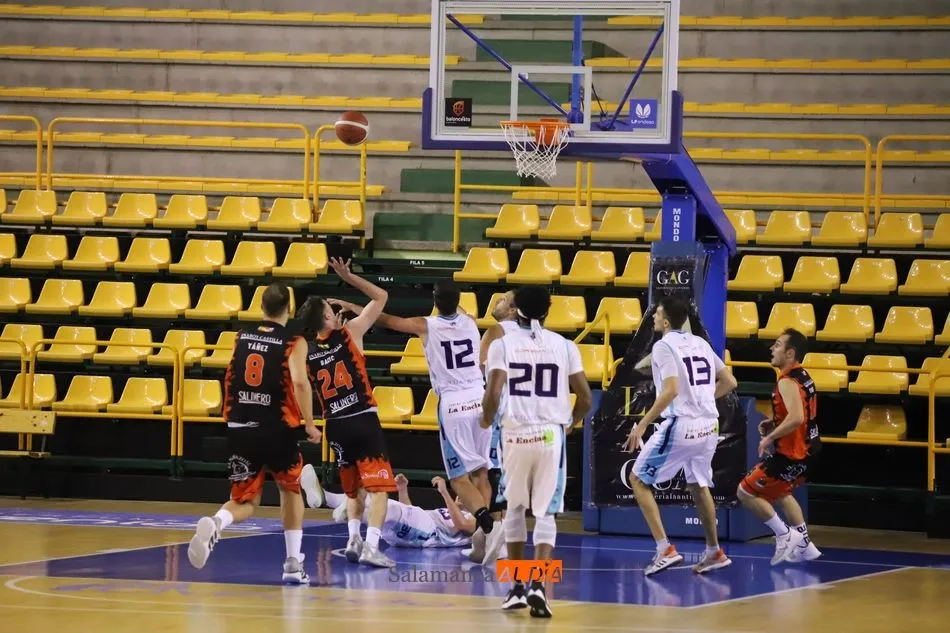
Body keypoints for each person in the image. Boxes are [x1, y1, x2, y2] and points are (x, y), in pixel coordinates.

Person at [358, 280, 504, 561]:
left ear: (435, 301)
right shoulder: (470, 322)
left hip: (454, 404)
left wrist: (357, 309)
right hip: (480, 397)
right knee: (482, 471)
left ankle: (487, 525)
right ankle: (487, 533)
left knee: (458, 478)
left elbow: (387, 320)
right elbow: (454, 307)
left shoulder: (426, 325)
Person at [187, 282, 321, 583]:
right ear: (289, 309)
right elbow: (300, 383)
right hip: (277, 427)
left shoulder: (241, 336)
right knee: (290, 489)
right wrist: (310, 423)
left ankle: (217, 522)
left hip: (240, 427)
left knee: (246, 501)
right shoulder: (294, 341)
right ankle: (292, 563)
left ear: (261, 307)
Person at [482, 286, 593, 618]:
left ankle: (516, 588)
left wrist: (486, 418)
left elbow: (494, 391)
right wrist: (569, 423)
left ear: (515, 310)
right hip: (549, 434)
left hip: (515, 433)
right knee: (546, 514)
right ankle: (539, 587)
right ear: (547, 311)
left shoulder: (503, 344)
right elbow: (586, 398)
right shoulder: (565, 345)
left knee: (514, 510)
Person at [622, 297, 738, 576]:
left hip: (682, 425)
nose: (653, 316)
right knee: (699, 485)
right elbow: (730, 382)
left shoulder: (663, 346)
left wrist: (641, 425)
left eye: (657, 313)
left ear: (665, 321)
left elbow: (671, 390)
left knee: (637, 479)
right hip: (709, 425)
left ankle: (665, 550)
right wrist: (702, 400)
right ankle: (714, 551)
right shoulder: (700, 343)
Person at [297, 257, 397, 568]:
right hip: (362, 418)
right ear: (329, 315)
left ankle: (353, 539)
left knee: (353, 490)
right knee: (380, 490)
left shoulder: (307, 352)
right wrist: (348, 277)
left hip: (335, 426)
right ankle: (371, 547)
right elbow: (381, 297)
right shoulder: (350, 332)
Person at [737, 328, 822, 564]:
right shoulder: (803, 375)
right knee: (782, 492)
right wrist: (774, 422)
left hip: (792, 454)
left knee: (745, 492)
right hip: (810, 450)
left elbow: (797, 417)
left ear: (790, 353)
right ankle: (805, 545)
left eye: (777, 345)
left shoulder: (787, 381)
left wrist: (770, 437)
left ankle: (785, 534)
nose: (772, 349)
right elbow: (802, 412)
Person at [300, 463, 474, 548]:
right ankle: (326, 498)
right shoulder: (450, 510)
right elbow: (409, 515)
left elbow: (462, 526)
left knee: (388, 506)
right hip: (408, 532)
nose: (460, 495)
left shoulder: (476, 518)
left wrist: (444, 493)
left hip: (429, 534)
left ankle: (347, 510)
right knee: (384, 506)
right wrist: (403, 490)